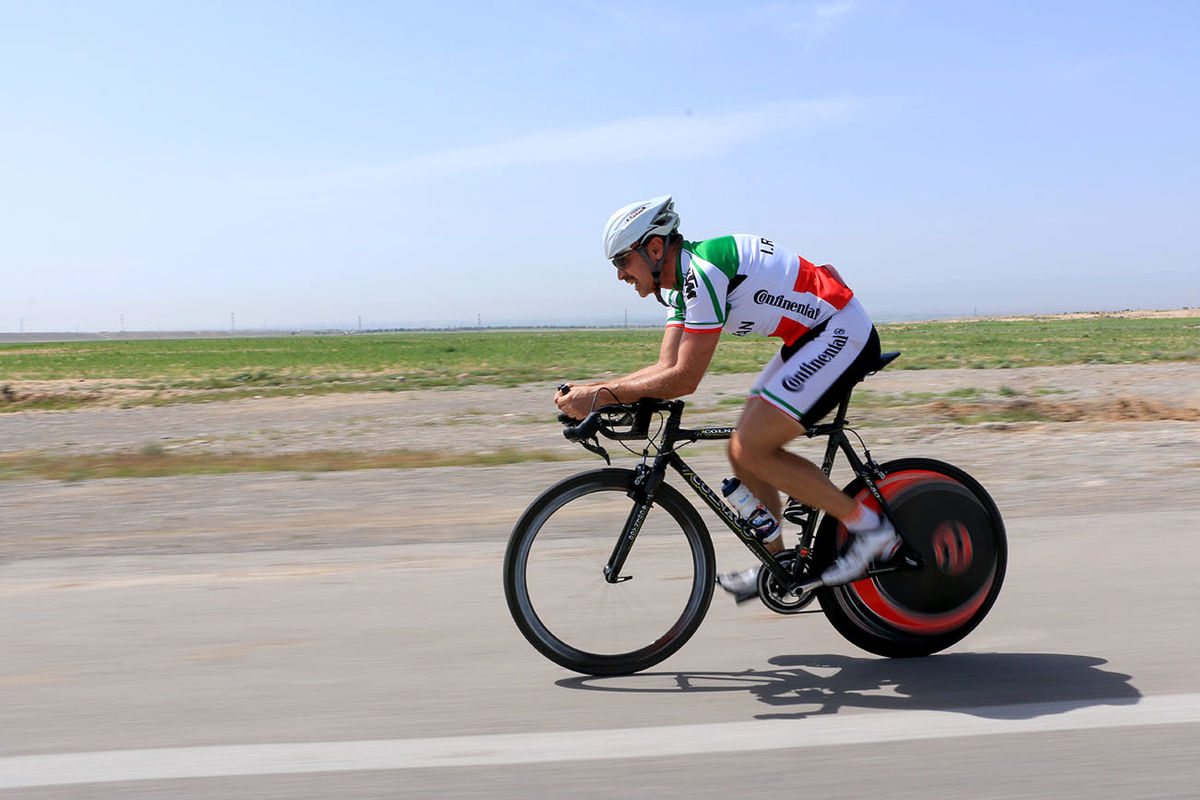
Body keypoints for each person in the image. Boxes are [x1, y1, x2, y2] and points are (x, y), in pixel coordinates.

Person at [555, 195, 899, 603]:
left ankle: (873, 529)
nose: (620, 276)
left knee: (754, 445)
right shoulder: (681, 287)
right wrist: (596, 392)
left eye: (621, 263)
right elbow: (665, 366)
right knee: (742, 453)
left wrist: (599, 398)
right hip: (809, 336)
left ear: (653, 248)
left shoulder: (701, 274)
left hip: (840, 330)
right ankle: (779, 565)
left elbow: (684, 379)